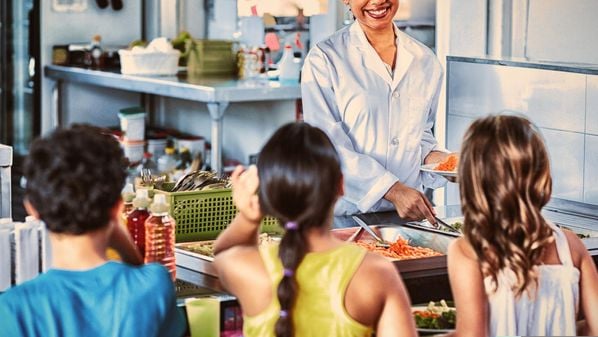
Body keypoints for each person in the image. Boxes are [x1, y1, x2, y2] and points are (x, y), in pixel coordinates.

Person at [213, 122, 417, 337]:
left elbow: (224, 253)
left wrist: (248, 216)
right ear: (340, 185)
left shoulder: (248, 268)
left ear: (268, 194)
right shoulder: (375, 272)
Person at [0, 124, 186, 337]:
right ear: (117, 207)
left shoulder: (11, 309)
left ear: (32, 209)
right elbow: (141, 276)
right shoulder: (154, 286)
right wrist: (119, 233)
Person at [301, 0, 455, 223]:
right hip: (345, 215)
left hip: (408, 217)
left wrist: (445, 162)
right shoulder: (325, 59)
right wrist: (393, 190)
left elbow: (418, 136)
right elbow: (325, 146)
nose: (377, 1)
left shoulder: (425, 61)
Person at [447, 115, 598, 337]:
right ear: (541, 175)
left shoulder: (468, 251)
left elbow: (471, 334)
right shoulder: (571, 246)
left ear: (473, 181)